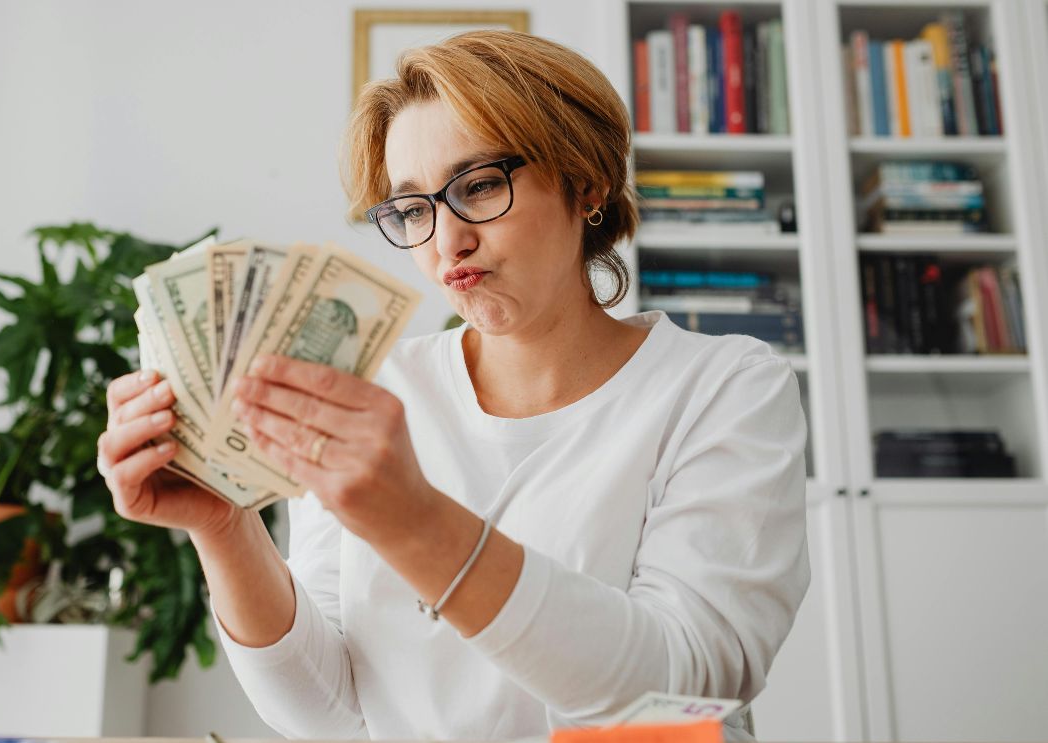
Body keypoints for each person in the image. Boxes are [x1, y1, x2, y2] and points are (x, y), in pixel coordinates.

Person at [96, 30, 808, 741]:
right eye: (412, 208)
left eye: (478, 186)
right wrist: (223, 528)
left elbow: (688, 684)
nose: (445, 242)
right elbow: (325, 712)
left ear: (585, 182)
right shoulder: (372, 391)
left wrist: (413, 520)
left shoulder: (724, 388)